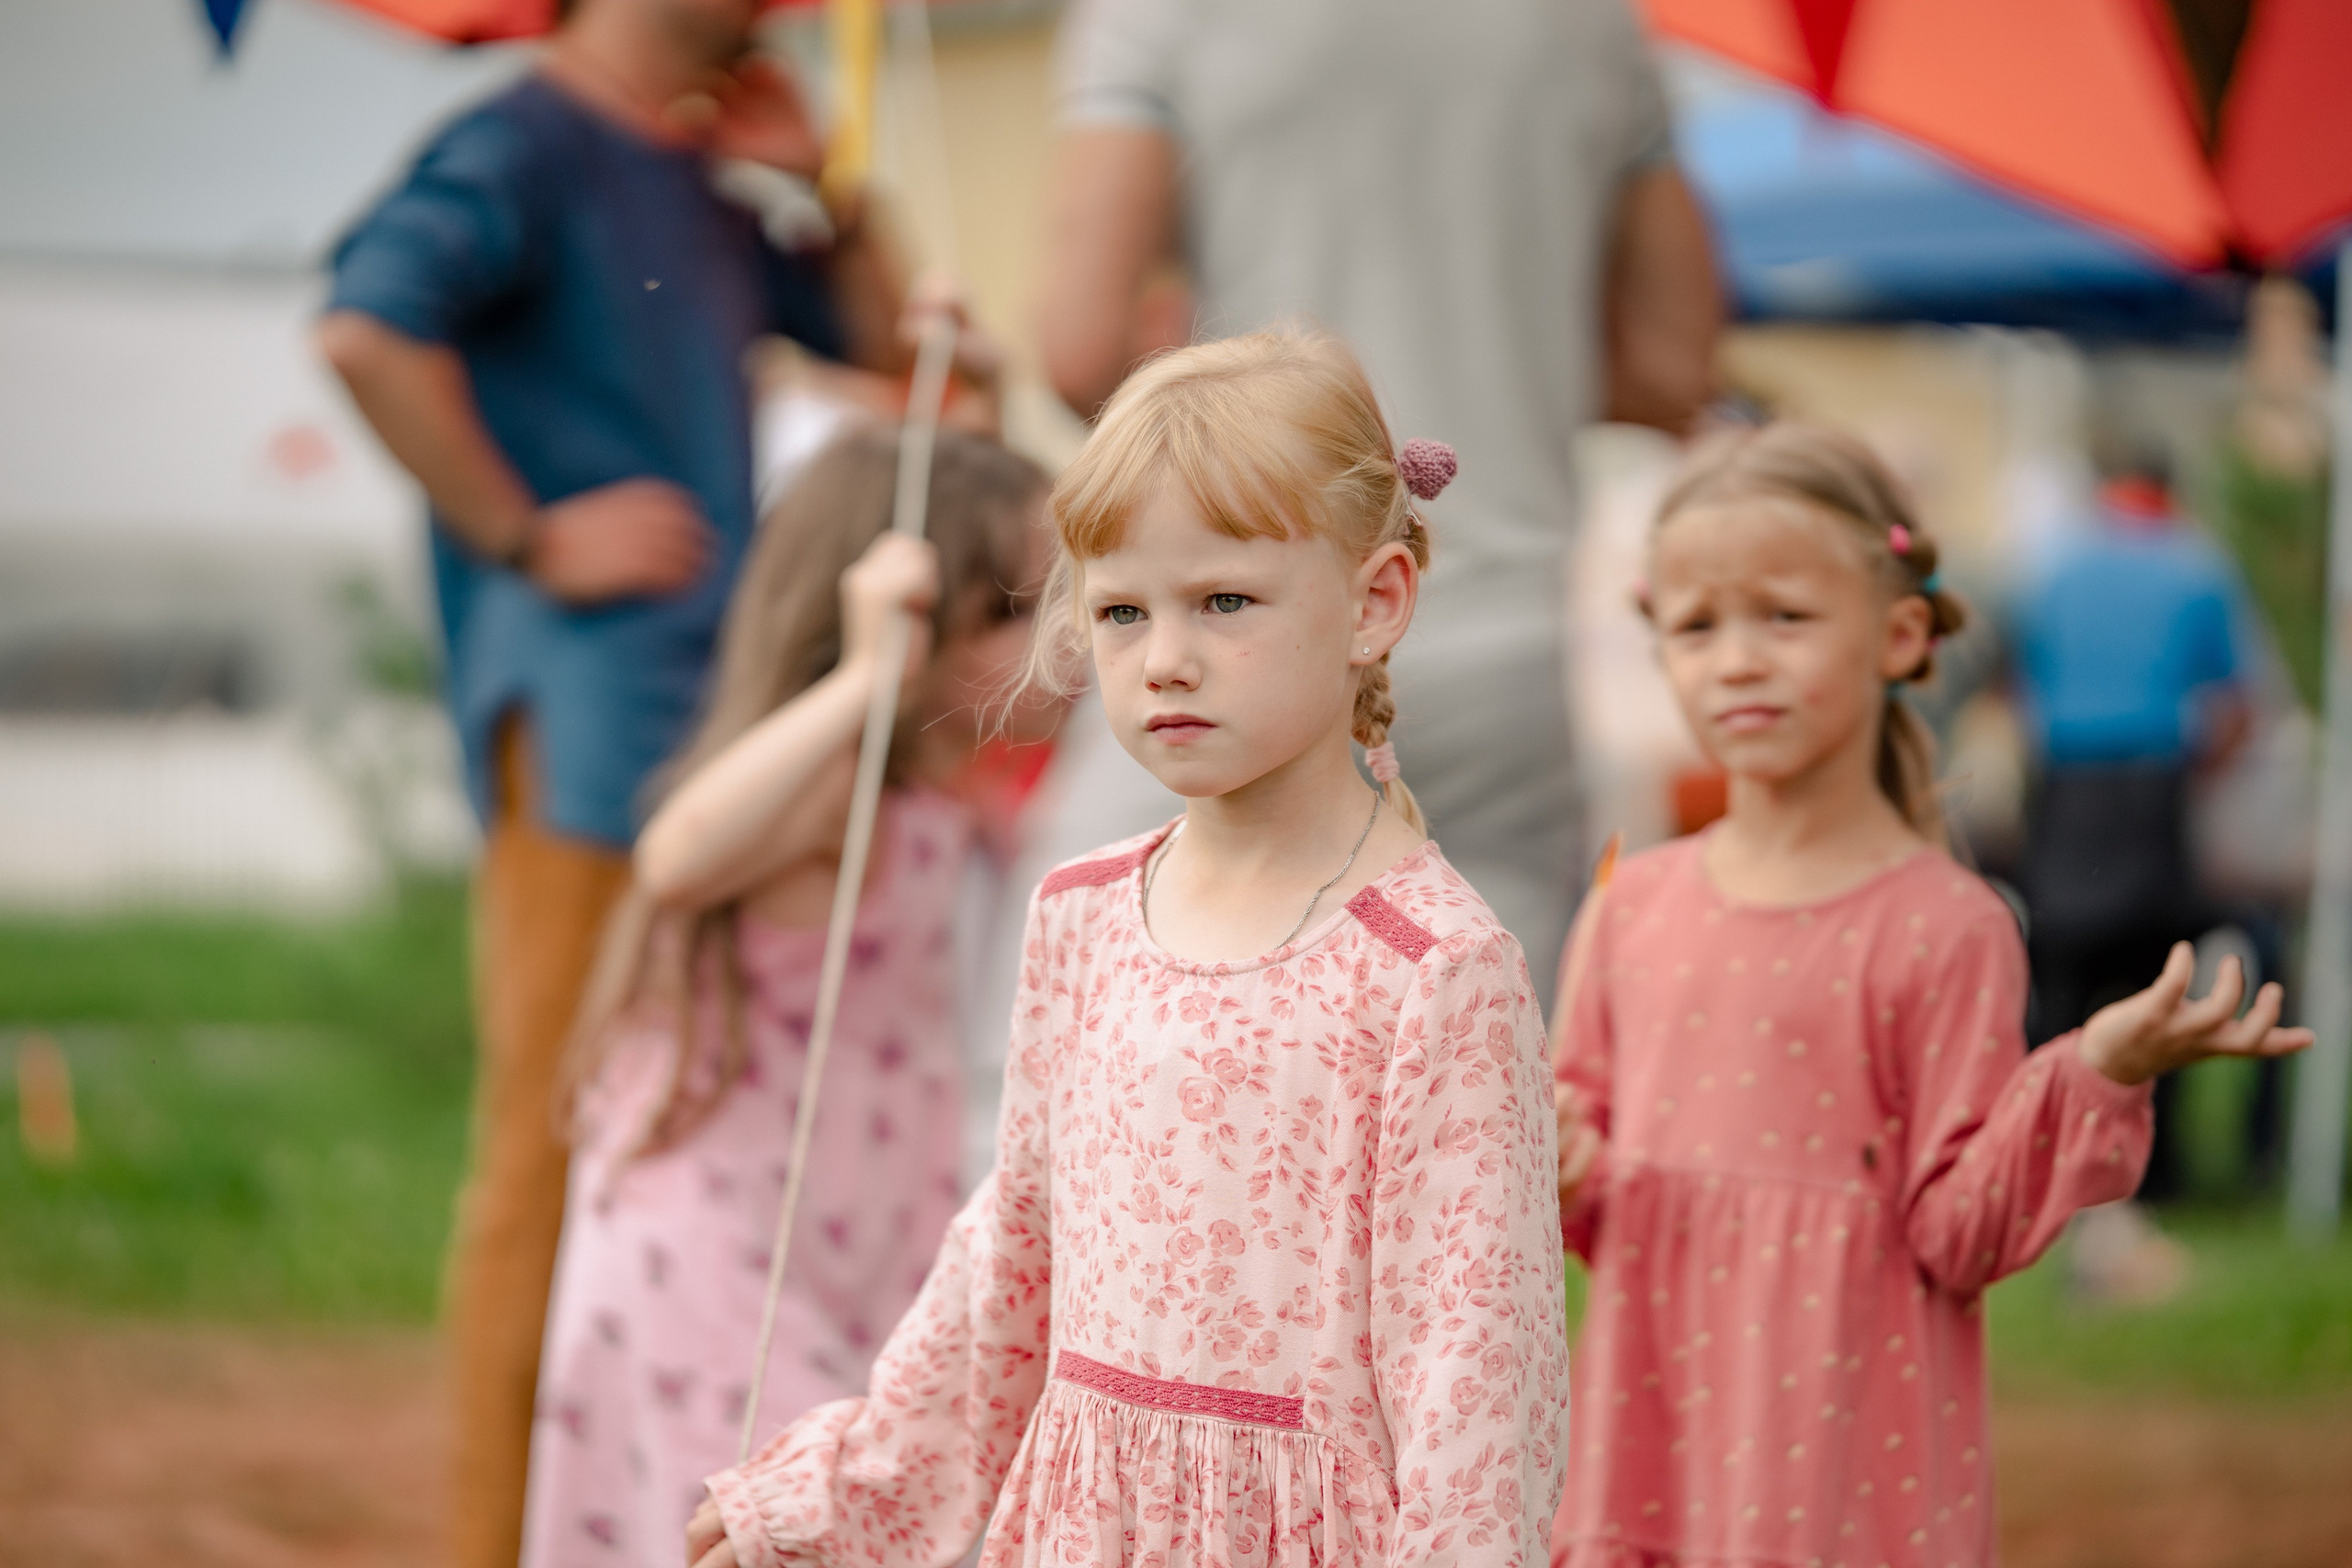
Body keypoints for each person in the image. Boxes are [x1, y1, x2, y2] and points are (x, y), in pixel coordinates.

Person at [685, 330, 1566, 1568]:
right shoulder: (1083, 912)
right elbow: (1012, 1256)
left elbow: (1478, 1375)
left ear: (1374, 603)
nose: (1164, 660)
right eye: (1120, 610)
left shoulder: (1436, 967)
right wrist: (848, 1491)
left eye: (1225, 600)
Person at [314, 4, 930, 1561]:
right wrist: (524, 531)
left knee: (666, 1135)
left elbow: (896, 358)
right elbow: (365, 325)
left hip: (710, 732)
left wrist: (834, 187)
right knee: (553, 1139)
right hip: (593, 734)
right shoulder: (523, 137)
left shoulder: (708, 184)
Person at [1546, 424, 2312, 1568]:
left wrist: (2095, 1068)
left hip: (1848, 1487)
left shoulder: (1947, 925)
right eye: (1697, 626)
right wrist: (1553, 1163)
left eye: (1785, 616)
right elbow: (1593, 1204)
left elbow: (1959, 1232)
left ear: (1901, 635)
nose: (1737, 658)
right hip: (1656, 1474)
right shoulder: (1628, 904)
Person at [1033, 0, 1723, 1004]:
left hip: (1234, 622)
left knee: (1096, 1002)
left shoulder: (1155, 14)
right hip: (1500, 636)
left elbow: (1080, 348)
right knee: (1474, 1037)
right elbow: (1671, 368)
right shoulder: (1596, 26)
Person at [519, 428, 1054, 1568]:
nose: (1056, 642)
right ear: (914, 627)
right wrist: (866, 680)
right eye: (1012, 610)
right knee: (766, 1531)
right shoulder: (825, 792)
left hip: (848, 1241)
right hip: (714, 1248)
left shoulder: (929, 800)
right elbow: (675, 856)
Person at [2009, 443, 2262, 1202]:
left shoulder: (2050, 571)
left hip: (2064, 793)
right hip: (2153, 791)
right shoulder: (2198, 567)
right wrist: (2193, 775)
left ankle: (2035, 1159)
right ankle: (2152, 1173)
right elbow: (2236, 710)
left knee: (2058, 983)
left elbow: (2015, 690)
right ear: (2168, 488)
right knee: (2158, 987)